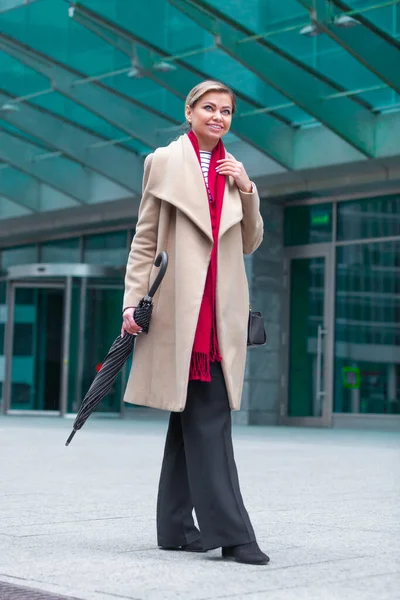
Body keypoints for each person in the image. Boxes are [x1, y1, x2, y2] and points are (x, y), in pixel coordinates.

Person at [121, 80, 269, 566]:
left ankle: (175, 528)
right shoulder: (162, 162)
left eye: (226, 111)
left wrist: (248, 190)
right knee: (210, 416)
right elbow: (145, 241)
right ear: (189, 111)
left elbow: (250, 242)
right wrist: (131, 303)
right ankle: (234, 535)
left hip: (218, 311)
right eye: (210, 108)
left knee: (192, 415)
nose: (218, 117)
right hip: (178, 312)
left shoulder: (233, 172)